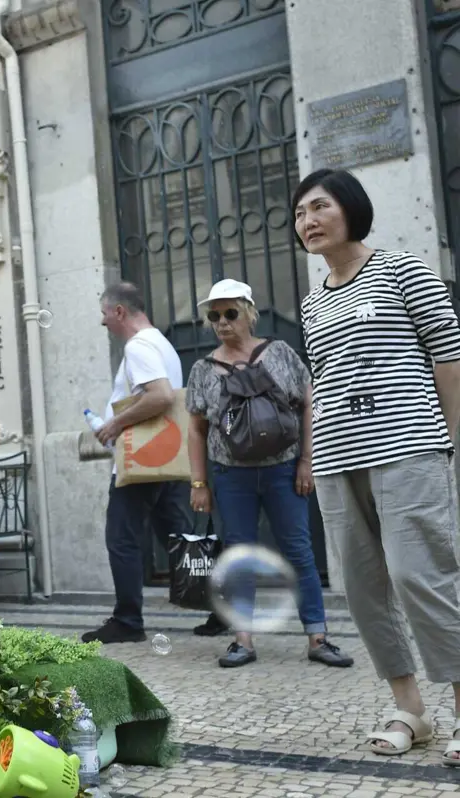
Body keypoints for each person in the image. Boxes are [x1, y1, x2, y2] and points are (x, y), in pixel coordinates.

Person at [294, 168, 460, 764]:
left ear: (351, 209)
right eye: (299, 214)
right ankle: (411, 712)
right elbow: (321, 384)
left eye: (319, 207)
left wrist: (447, 437)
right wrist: (314, 454)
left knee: (423, 577)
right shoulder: (313, 301)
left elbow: (447, 351)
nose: (307, 221)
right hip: (339, 461)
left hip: (408, 447)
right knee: (363, 591)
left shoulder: (402, 269)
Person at [185, 278, 352, 669]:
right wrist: (198, 482)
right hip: (230, 475)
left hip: (283, 471)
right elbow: (195, 427)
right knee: (238, 555)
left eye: (230, 313)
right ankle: (243, 641)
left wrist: (307, 462)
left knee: (299, 552)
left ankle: (318, 637)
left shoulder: (279, 354)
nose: (222, 322)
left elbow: (309, 405)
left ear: (249, 313)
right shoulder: (203, 369)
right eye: (214, 316)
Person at [84, 282, 226, 643]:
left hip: (142, 460)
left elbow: (160, 395)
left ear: (119, 312)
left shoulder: (139, 346)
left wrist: (115, 424)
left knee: (122, 539)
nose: (102, 323)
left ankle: (128, 621)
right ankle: (221, 607)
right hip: (166, 455)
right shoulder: (162, 344)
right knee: (177, 538)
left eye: (104, 315)